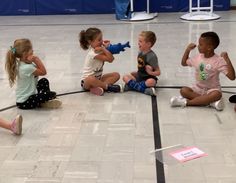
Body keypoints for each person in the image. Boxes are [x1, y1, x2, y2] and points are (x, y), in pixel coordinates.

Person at [170, 31, 236, 111]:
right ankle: (210, 103)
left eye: (201, 44)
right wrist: (187, 50)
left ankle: (185, 102)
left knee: (217, 94)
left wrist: (227, 59)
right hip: (197, 89)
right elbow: (183, 63)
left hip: (212, 89)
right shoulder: (198, 57)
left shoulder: (218, 60)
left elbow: (232, 77)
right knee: (183, 90)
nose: (198, 46)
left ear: (209, 47)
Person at [5, 39, 62, 109]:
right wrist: (36, 59)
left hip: (31, 95)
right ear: (25, 54)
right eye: (31, 50)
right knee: (50, 94)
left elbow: (40, 71)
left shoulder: (24, 63)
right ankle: (44, 101)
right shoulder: (26, 68)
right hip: (24, 102)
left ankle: (44, 101)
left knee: (44, 81)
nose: (33, 51)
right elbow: (44, 72)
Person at [79, 27, 122, 96]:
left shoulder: (100, 49)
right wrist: (104, 49)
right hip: (87, 82)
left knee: (116, 75)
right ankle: (108, 87)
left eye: (101, 38)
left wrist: (106, 48)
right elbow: (109, 58)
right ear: (90, 42)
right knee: (91, 79)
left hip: (98, 79)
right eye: (99, 40)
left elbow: (111, 59)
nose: (102, 41)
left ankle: (99, 87)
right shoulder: (92, 53)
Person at [122, 31, 160, 96]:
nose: (138, 43)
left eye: (140, 41)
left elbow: (158, 72)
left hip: (148, 78)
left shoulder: (152, 56)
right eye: (139, 41)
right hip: (140, 77)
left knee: (151, 82)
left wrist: (151, 73)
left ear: (148, 44)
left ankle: (131, 86)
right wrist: (138, 73)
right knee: (125, 77)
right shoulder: (140, 51)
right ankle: (144, 90)